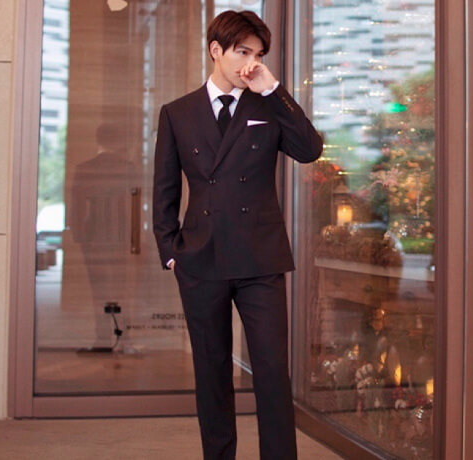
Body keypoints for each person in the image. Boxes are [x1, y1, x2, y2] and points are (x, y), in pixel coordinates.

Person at [152, 10, 322, 460]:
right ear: (216, 50)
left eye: (258, 54)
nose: (251, 62)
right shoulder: (177, 113)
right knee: (211, 374)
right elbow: (164, 191)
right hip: (200, 260)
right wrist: (171, 252)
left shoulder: (268, 104)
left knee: (272, 372)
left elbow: (309, 150)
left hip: (260, 260)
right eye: (243, 52)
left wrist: (273, 88)